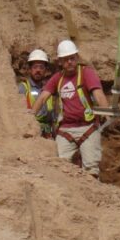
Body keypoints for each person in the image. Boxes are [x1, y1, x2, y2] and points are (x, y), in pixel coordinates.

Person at [29, 39, 110, 177]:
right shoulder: (57, 78)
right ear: (60, 62)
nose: (70, 62)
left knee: (91, 169)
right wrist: (30, 116)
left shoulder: (86, 73)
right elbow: (43, 97)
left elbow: (98, 94)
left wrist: (107, 114)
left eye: (72, 58)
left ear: (77, 58)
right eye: (66, 60)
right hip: (66, 129)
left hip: (88, 127)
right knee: (59, 167)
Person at [19, 49, 55, 138]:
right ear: (30, 69)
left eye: (41, 67)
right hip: (31, 130)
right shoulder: (24, 87)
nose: (38, 70)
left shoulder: (49, 89)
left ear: (46, 70)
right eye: (35, 67)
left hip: (48, 132)